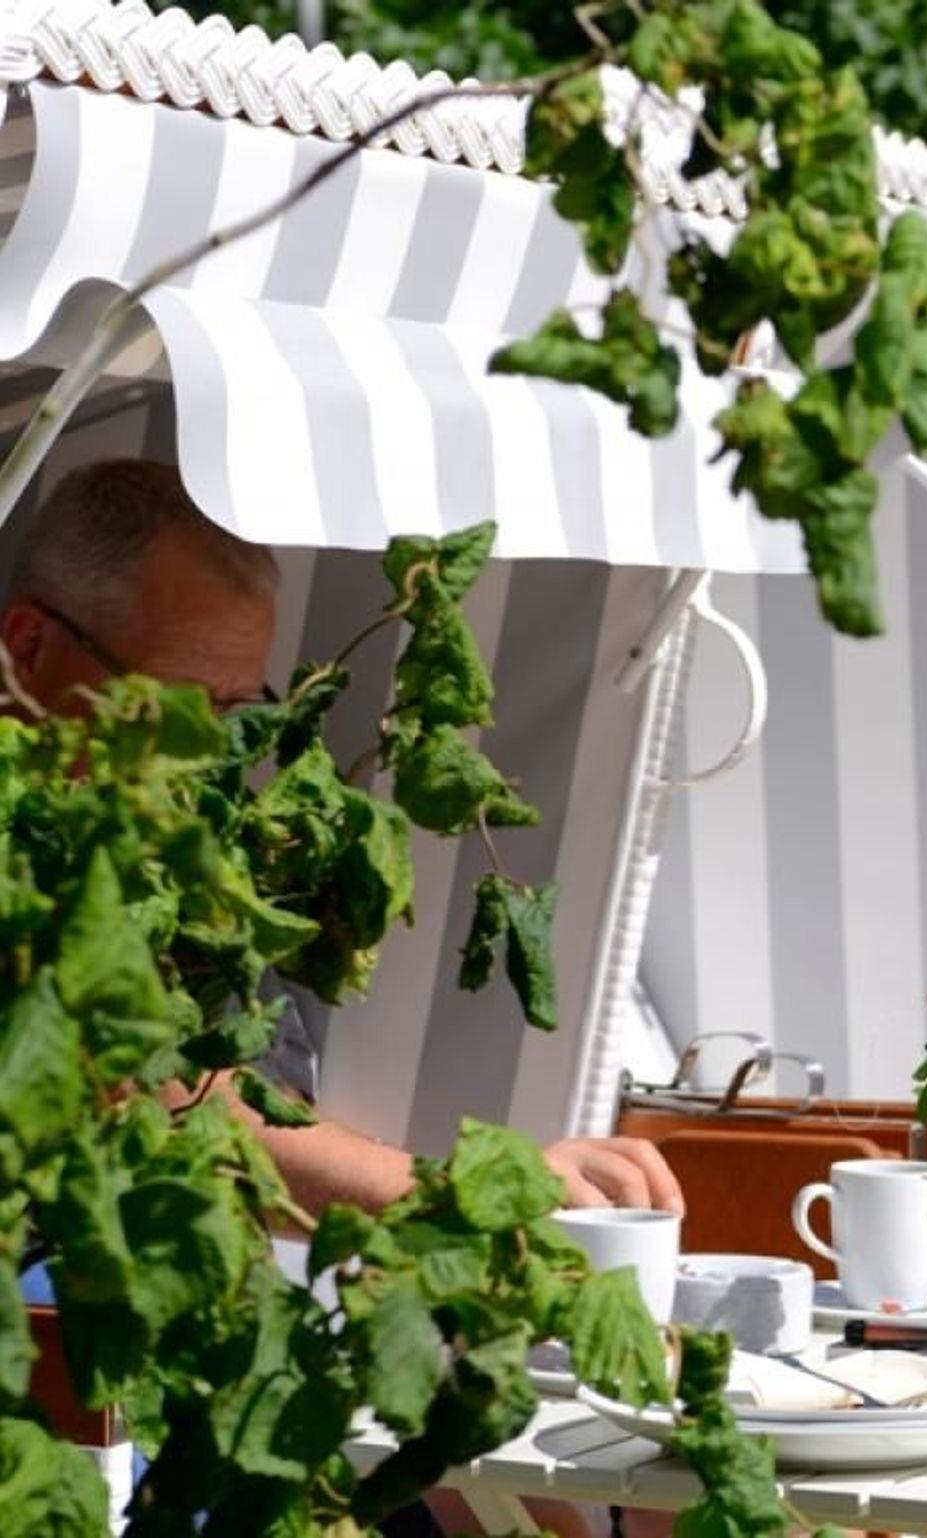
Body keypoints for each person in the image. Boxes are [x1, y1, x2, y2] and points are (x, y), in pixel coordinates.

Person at [2, 461, 676, 1537]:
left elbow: (214, 1100)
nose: (208, 753)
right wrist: (465, 1195)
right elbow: (183, 1113)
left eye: (237, 708)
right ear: (29, 645)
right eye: (179, 703)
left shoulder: (149, 842)